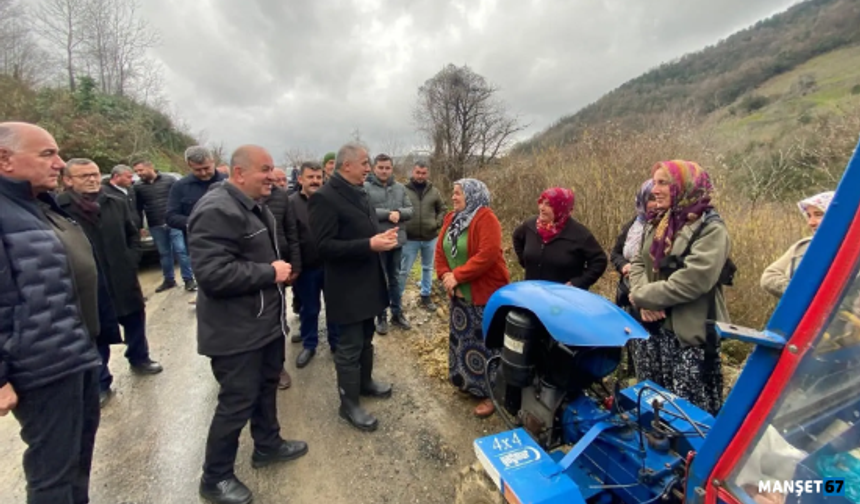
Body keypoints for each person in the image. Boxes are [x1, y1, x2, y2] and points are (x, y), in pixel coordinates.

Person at [188, 145, 308, 504]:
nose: (273, 176)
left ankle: (268, 445)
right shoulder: (216, 210)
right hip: (235, 332)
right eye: (266, 169)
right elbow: (211, 274)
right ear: (239, 174)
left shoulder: (253, 207)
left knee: (266, 386)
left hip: (264, 325)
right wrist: (269, 272)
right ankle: (215, 478)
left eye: (273, 169)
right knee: (236, 402)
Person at [0, 122, 102, 504]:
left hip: (73, 352)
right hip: (40, 365)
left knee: (77, 458)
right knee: (52, 474)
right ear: (4, 159)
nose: (59, 164)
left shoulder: (36, 204)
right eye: (47, 154)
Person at [628, 160, 731, 416]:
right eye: (655, 183)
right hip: (651, 332)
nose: (655, 190)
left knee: (688, 419)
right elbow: (639, 261)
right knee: (651, 408)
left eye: (664, 182)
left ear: (685, 186)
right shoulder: (659, 221)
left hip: (688, 341)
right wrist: (643, 301)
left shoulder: (711, 229)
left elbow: (692, 281)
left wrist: (642, 296)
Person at [58, 158, 163, 405]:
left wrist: (131, 258)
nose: (92, 179)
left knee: (135, 317)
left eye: (94, 174)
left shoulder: (115, 201)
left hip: (121, 273)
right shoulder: (60, 209)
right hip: (88, 281)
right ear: (68, 180)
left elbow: (132, 232)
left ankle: (140, 358)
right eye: (84, 176)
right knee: (96, 329)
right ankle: (101, 380)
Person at [309, 142, 398, 432]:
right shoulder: (324, 197)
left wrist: (381, 238)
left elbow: (365, 229)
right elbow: (323, 246)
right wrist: (369, 244)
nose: (369, 168)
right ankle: (348, 406)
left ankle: (365, 383)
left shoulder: (360, 192)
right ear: (346, 165)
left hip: (368, 281)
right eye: (364, 163)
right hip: (346, 288)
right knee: (348, 347)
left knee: (366, 337)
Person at [435, 178, 510, 417]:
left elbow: (487, 255)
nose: (454, 197)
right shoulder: (451, 218)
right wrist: (445, 274)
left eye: (458, 193)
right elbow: (440, 250)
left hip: (484, 295)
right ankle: (467, 383)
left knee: (486, 345)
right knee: (462, 341)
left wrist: (457, 275)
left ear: (472, 195)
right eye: (453, 193)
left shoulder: (486, 218)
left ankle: (492, 394)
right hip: (459, 295)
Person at [291, 161, 340, 368]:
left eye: (318, 177)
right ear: (300, 179)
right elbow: (291, 237)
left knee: (335, 307)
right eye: (310, 177)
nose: (315, 181)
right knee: (309, 309)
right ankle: (309, 344)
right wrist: (295, 266)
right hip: (307, 268)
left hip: (331, 266)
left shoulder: (331, 200)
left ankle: (336, 344)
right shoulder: (291, 203)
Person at [512, 187, 607, 288]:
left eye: (548, 204)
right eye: (541, 202)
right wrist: (526, 262)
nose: (541, 208)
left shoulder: (579, 234)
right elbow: (516, 237)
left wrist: (578, 282)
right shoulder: (530, 225)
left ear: (561, 208)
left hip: (562, 298)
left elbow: (599, 260)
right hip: (533, 292)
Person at [261, 165, 302, 390]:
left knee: (278, 316)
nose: (273, 182)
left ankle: (278, 366)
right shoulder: (237, 201)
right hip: (253, 269)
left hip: (280, 265)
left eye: (277, 179)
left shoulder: (282, 199)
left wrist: (294, 265)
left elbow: (292, 233)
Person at [365, 153, 414, 333]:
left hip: (396, 241)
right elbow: (366, 211)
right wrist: (388, 214)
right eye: (381, 168)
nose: (384, 171)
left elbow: (410, 210)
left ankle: (397, 313)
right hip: (378, 241)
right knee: (379, 279)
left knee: (394, 278)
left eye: (387, 168)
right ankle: (381, 316)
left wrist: (399, 213)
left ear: (391, 169)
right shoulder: (366, 188)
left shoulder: (400, 188)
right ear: (374, 168)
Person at [133, 159, 195, 292]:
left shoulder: (169, 180)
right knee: (164, 253)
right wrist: (140, 226)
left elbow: (181, 199)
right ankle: (169, 280)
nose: (138, 173)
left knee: (181, 251)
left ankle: (188, 280)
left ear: (150, 167)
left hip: (173, 223)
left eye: (141, 170)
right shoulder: (138, 187)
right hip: (155, 224)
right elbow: (138, 208)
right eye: (136, 171)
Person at [761, 191, 835, 299]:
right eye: (809, 216)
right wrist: (800, 292)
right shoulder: (803, 247)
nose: (811, 222)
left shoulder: (854, 250)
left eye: (819, 214)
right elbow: (769, 277)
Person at [400, 161, 447, 311]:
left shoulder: (434, 191)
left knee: (427, 268)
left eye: (423, 173)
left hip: (430, 237)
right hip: (409, 239)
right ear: (413, 172)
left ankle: (425, 296)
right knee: (403, 270)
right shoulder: (403, 190)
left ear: (427, 173)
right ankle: (397, 298)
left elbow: (443, 209)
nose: (420, 176)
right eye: (418, 173)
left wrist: (437, 223)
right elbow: (396, 210)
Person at [610, 180, 656, 308]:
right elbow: (615, 253)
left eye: (659, 198)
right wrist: (623, 265)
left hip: (651, 296)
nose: (656, 204)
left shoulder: (670, 229)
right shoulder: (632, 226)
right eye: (651, 198)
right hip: (626, 291)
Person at [103, 164, 140, 228]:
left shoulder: (131, 190)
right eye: (128, 177)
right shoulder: (105, 192)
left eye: (131, 177)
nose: (131, 180)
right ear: (116, 176)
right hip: (118, 230)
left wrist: (140, 226)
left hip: (134, 229)